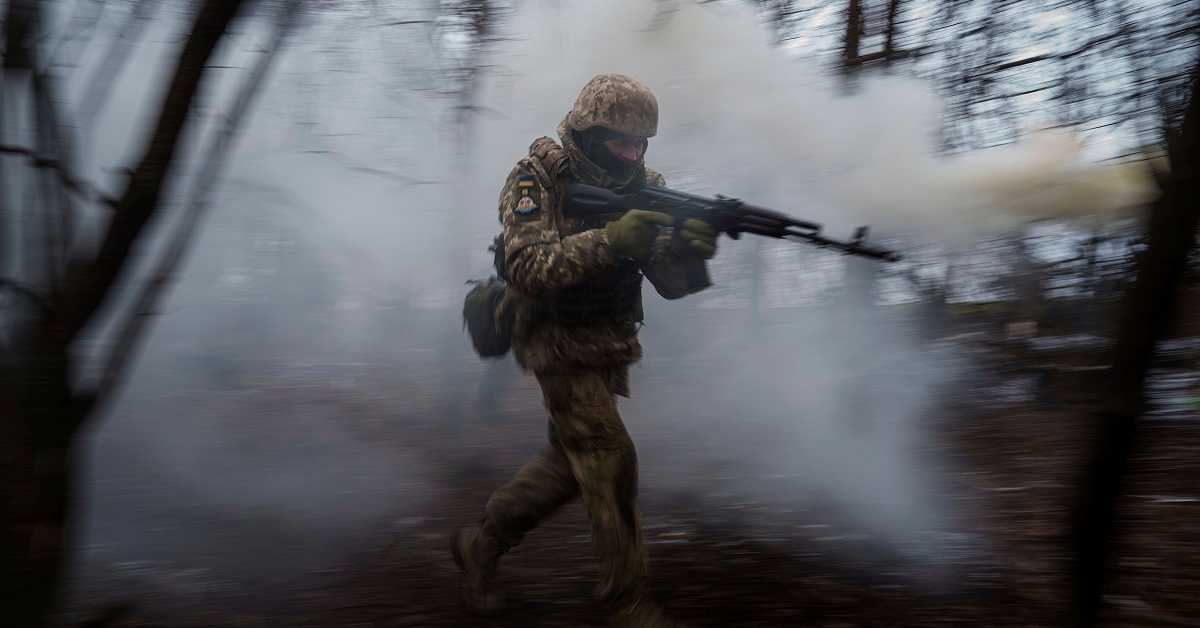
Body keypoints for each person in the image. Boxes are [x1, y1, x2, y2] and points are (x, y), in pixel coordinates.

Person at [451, 73, 718, 626]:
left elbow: (672, 285)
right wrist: (611, 240)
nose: (632, 153)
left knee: (569, 465)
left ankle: (481, 543)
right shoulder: (537, 180)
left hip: (607, 339)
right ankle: (629, 600)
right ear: (589, 134)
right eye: (621, 142)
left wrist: (692, 253)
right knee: (608, 454)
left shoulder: (647, 185)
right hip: (550, 333)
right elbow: (526, 267)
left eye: (641, 143)